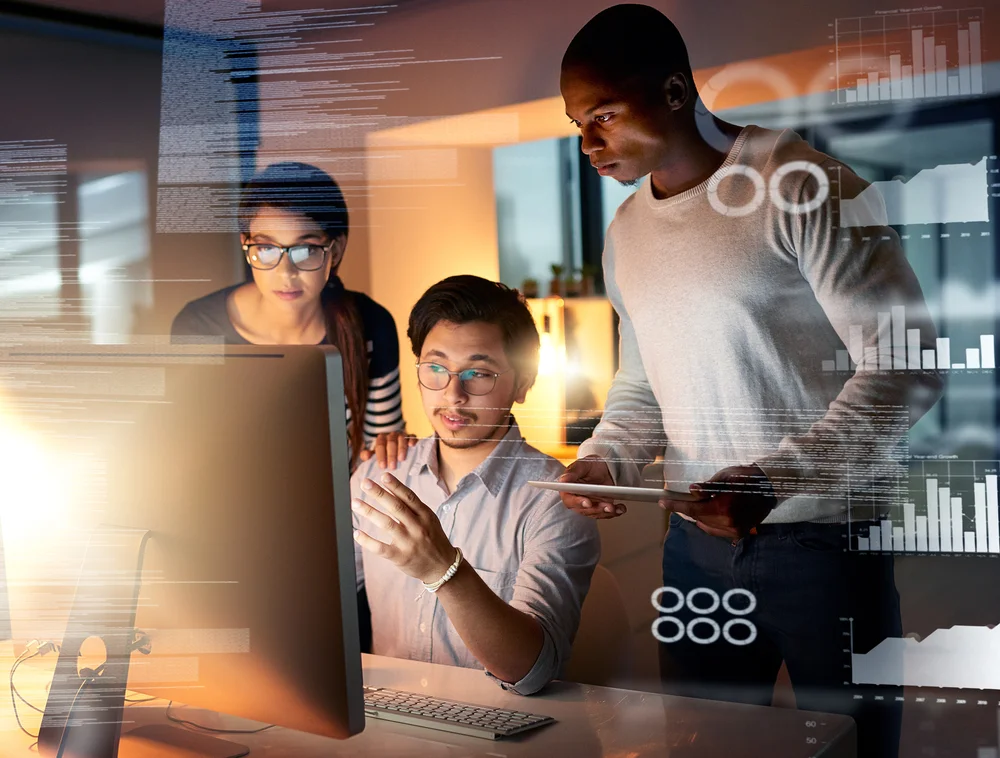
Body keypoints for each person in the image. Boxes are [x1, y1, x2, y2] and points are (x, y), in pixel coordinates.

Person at [557, 5, 943, 756]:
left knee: (852, 748)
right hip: (691, 547)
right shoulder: (625, 234)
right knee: (701, 747)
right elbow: (643, 385)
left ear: (674, 92)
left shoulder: (806, 185)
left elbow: (908, 366)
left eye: (603, 114)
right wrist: (610, 457)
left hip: (827, 543)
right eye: (577, 124)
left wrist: (772, 481)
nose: (588, 143)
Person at [350, 275, 600, 695]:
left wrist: (441, 569)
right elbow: (318, 598)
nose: (452, 395)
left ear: (522, 382)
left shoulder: (556, 499)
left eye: (478, 374)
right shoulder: (379, 475)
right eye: (435, 368)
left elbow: (531, 671)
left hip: (501, 730)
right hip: (385, 725)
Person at [171, 162, 409, 469]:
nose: (286, 274)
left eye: (306, 249)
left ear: (334, 251)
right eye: (267, 248)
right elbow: (188, 451)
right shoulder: (198, 328)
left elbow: (383, 460)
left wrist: (396, 447)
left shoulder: (371, 326)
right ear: (246, 244)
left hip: (345, 512)